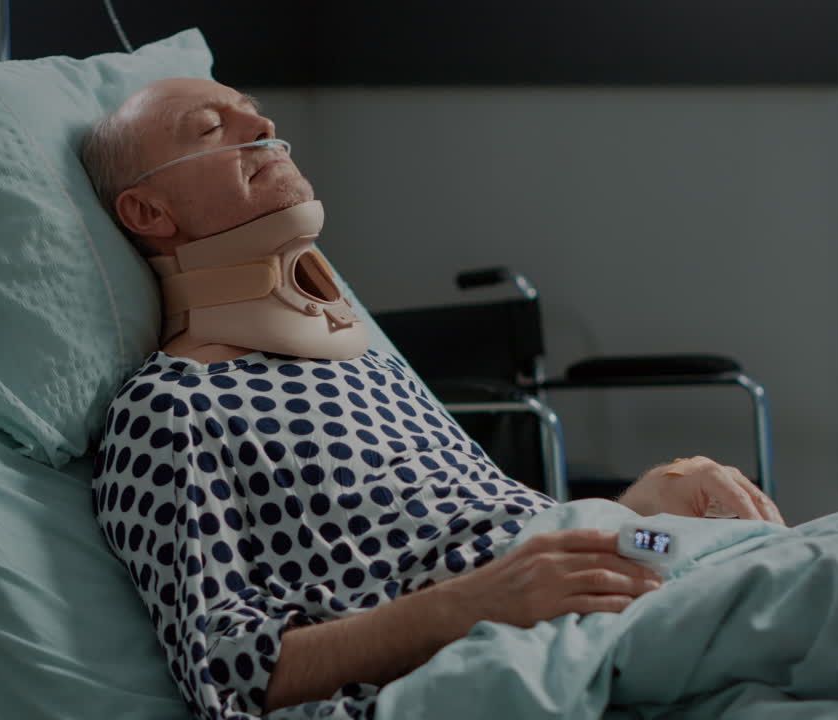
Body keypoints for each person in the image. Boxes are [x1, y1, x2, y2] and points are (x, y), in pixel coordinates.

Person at [79, 78, 786, 719]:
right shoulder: (169, 408)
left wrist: (639, 510)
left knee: (824, 551)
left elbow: (488, 532)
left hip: (620, 559)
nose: (262, 128)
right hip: (512, 651)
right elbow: (223, 673)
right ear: (148, 210)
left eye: (254, 113)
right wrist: (470, 605)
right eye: (211, 128)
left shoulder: (366, 362)